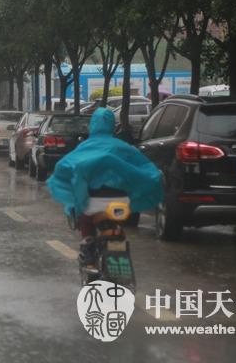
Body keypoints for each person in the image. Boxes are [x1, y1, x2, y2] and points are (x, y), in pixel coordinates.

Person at [47, 108, 163, 266]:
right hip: (121, 203)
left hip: (92, 204)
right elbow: (145, 168)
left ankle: (88, 245)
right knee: (117, 228)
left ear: (93, 125)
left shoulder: (85, 147)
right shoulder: (123, 147)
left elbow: (64, 167)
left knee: (84, 217)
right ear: (112, 126)